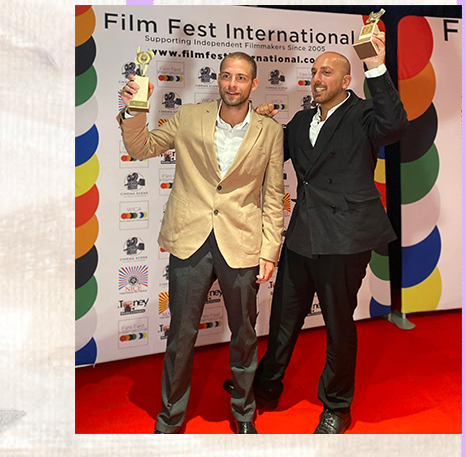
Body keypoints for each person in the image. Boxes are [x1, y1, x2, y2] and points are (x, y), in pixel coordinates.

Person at [220, 30, 407, 434]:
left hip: (345, 238)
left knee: (338, 327)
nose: (317, 78)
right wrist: (258, 124)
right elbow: (270, 153)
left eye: (327, 72)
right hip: (303, 235)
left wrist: (376, 65)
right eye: (315, 71)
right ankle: (266, 387)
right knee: (283, 320)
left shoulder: (363, 115)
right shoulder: (302, 120)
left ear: (346, 80)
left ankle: (337, 406)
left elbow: (394, 125)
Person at [118, 51, 284, 434]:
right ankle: (170, 418)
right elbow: (140, 147)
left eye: (240, 78)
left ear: (254, 84)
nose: (232, 84)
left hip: (241, 242)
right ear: (218, 79)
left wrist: (269, 250)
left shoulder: (270, 132)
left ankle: (243, 412)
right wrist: (134, 109)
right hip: (190, 239)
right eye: (226, 76)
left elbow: (274, 195)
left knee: (244, 335)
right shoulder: (190, 116)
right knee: (181, 336)